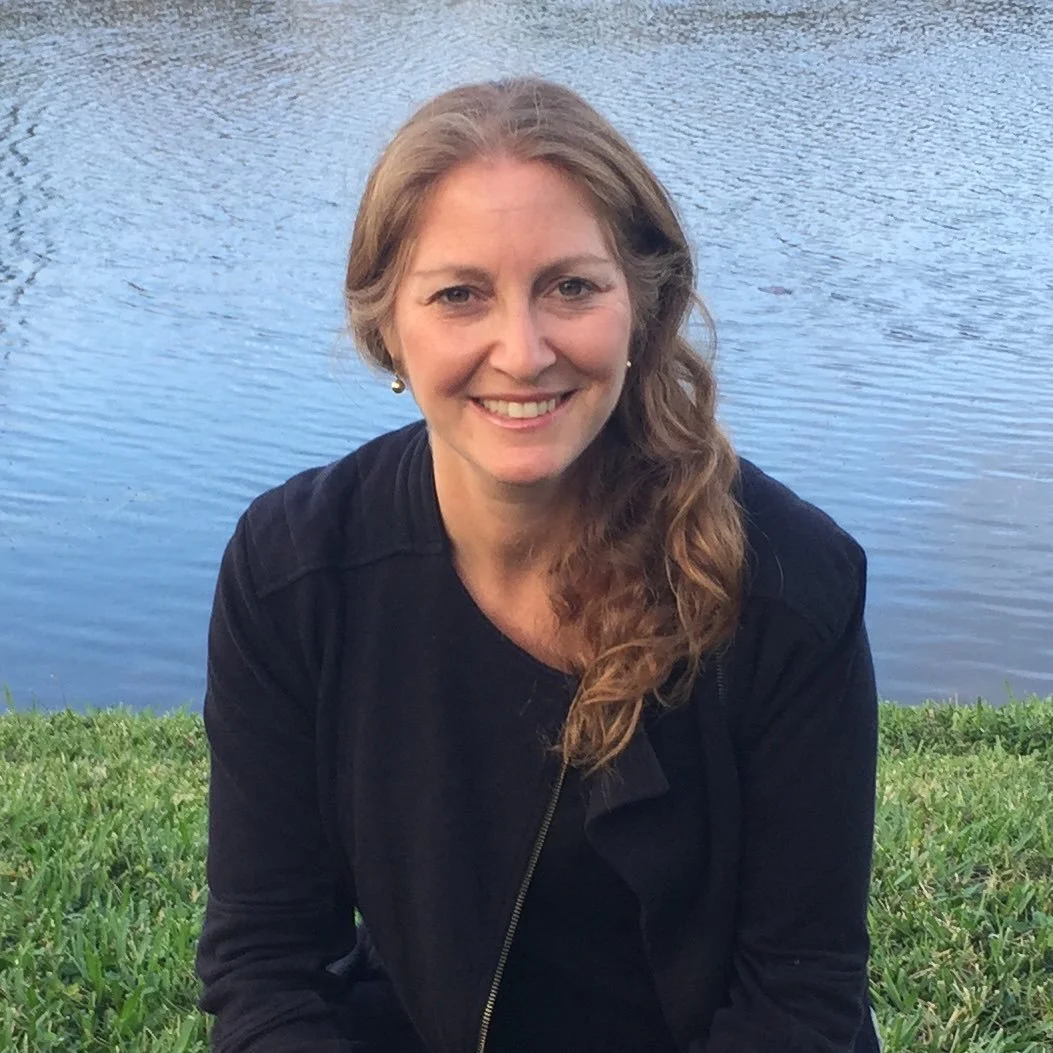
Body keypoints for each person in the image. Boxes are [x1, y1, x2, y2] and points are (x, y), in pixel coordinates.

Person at [195, 77, 882, 1053]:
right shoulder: (293, 573)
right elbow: (264, 969)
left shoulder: (787, 586)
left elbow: (799, 1004)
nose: (521, 352)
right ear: (387, 324)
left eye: (571, 287)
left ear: (642, 306)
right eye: (459, 294)